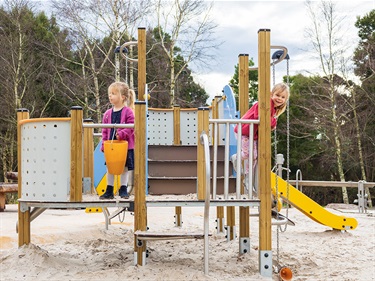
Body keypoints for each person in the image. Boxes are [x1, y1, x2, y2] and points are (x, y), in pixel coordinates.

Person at [231, 82, 290, 177]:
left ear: (285, 99)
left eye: (283, 97)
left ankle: (248, 175)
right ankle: (236, 157)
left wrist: (272, 122)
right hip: (244, 131)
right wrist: (273, 122)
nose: (279, 99)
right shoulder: (265, 104)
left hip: (252, 134)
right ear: (271, 94)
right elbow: (262, 117)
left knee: (254, 156)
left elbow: (270, 123)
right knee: (246, 154)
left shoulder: (274, 110)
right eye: (277, 95)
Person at [99, 82, 135, 199]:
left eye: (113, 94)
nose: (110, 96)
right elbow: (105, 130)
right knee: (110, 167)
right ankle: (109, 189)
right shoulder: (107, 114)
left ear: (123, 97)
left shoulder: (128, 112)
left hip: (124, 145)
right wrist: (104, 143)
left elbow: (131, 127)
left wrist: (121, 134)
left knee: (124, 168)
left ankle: (123, 188)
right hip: (112, 146)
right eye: (109, 94)